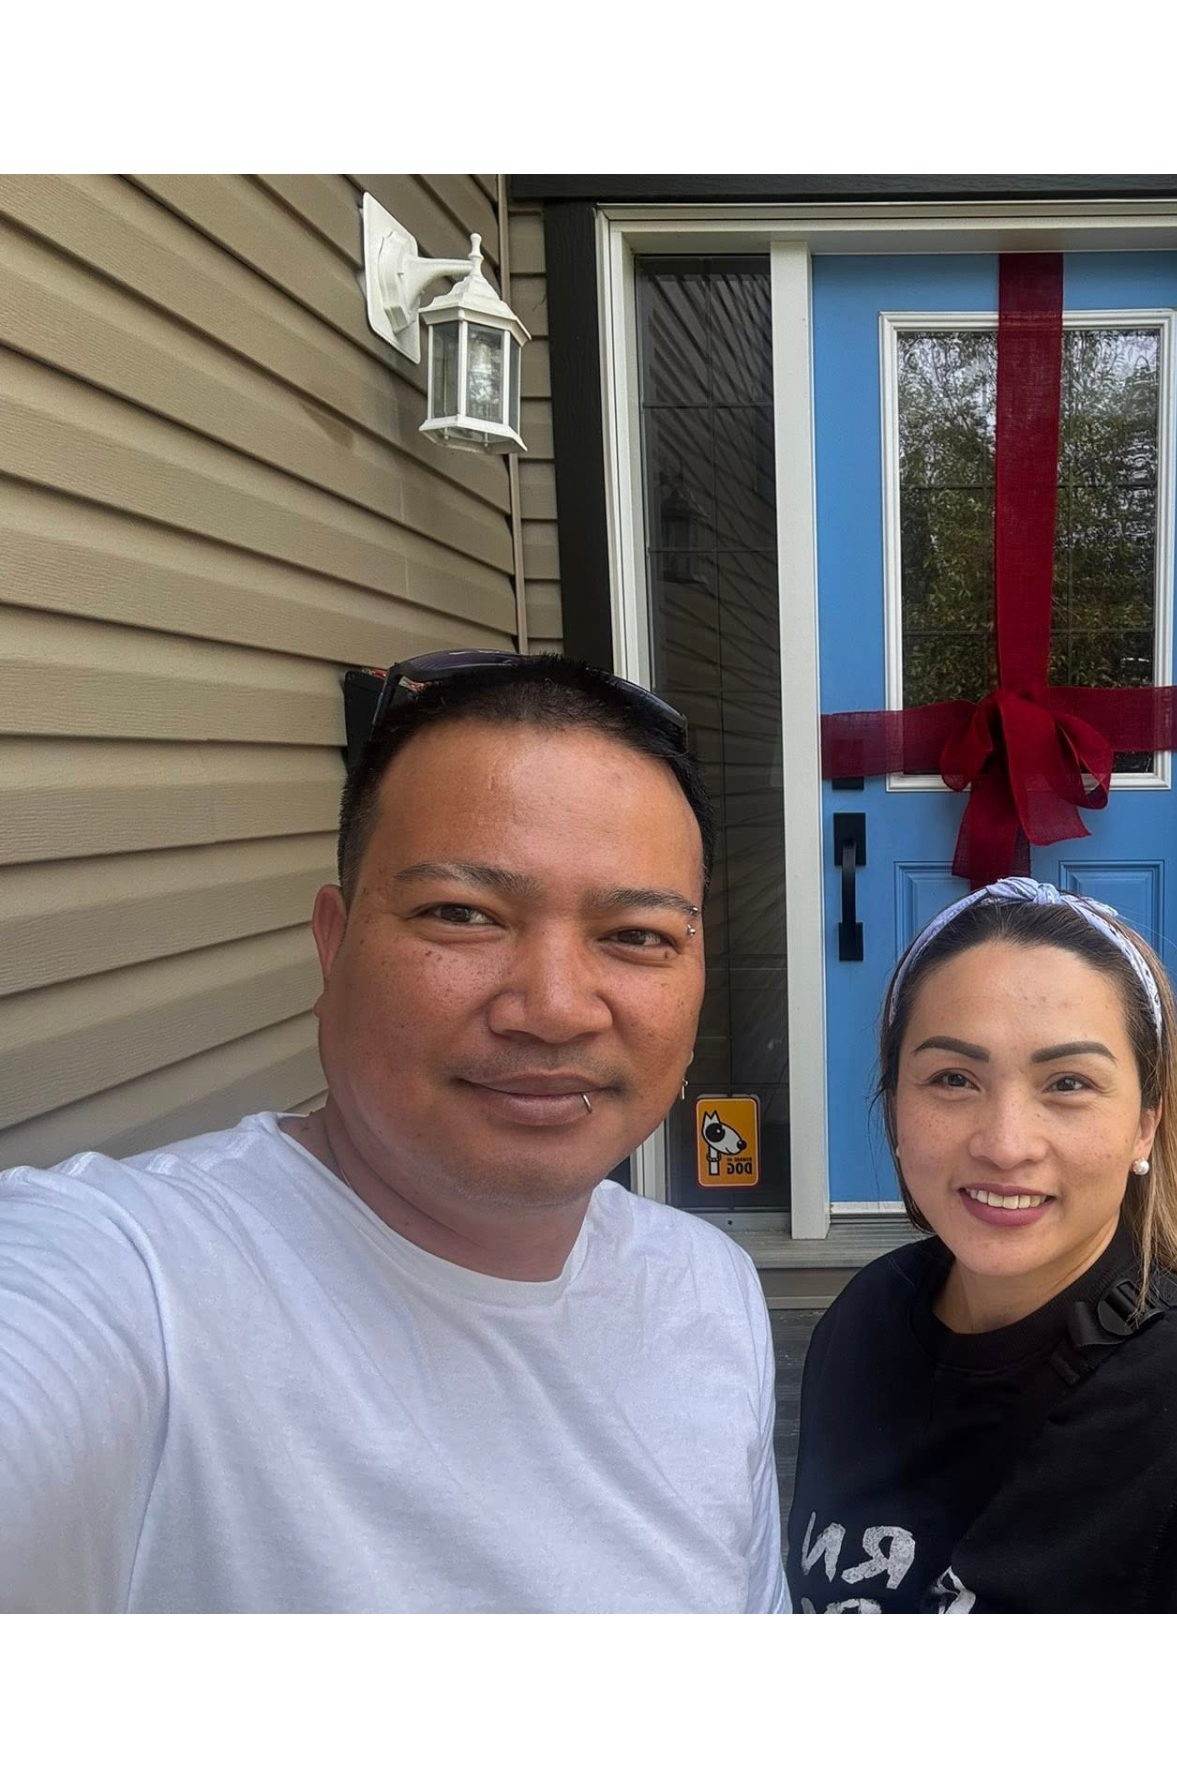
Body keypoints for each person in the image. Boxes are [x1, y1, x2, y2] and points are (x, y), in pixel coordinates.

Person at [0, 652, 787, 1613]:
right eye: (463, 915)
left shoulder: (710, 1288)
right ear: (334, 943)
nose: (554, 1009)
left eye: (635, 935)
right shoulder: (137, 1288)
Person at [786, 878, 1177, 1613]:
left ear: (1145, 1125)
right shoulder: (861, 1325)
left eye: (1068, 1083)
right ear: (895, 1106)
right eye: (953, 1078)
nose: (1006, 1144)